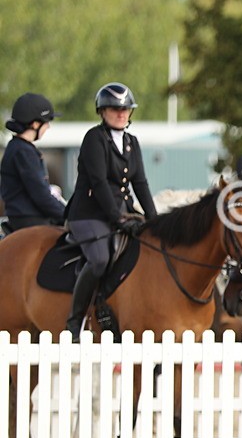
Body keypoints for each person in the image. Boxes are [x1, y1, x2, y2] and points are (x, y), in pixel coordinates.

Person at [64, 82, 157, 339]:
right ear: (102, 112)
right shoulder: (94, 138)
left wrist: (155, 220)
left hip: (123, 211)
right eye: (115, 109)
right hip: (90, 213)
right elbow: (99, 183)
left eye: (125, 109)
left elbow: (140, 183)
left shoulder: (131, 142)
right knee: (100, 259)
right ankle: (75, 320)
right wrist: (117, 219)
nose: (121, 114)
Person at [1, 92, 65, 230]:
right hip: (31, 220)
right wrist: (67, 215)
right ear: (35, 124)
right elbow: (40, 195)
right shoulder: (23, 151)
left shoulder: (17, 147)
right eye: (46, 122)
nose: (48, 127)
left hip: (23, 218)